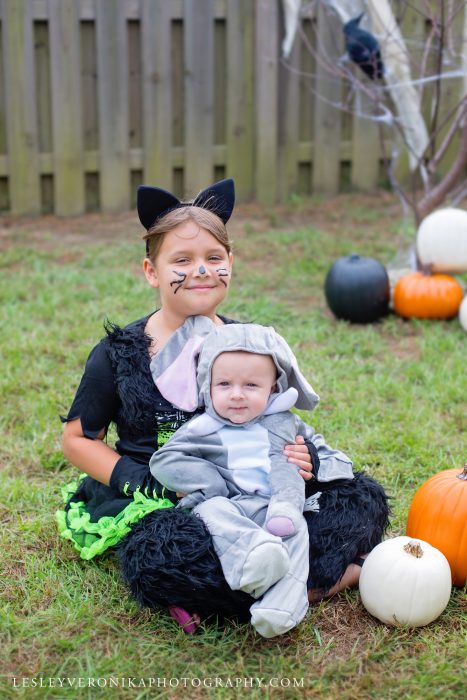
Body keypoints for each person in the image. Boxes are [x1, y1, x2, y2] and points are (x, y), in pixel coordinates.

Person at [59, 178, 389, 632]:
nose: (201, 270)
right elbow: (77, 440)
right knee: (161, 553)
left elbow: (278, 419)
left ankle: (236, 595)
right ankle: (321, 581)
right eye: (182, 260)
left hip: (256, 489)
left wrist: (302, 457)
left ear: (231, 263)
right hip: (170, 500)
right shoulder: (120, 353)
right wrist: (144, 483)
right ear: (151, 271)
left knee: (360, 498)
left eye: (214, 258)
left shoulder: (248, 347)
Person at [150, 321, 356, 638]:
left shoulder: (287, 424)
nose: (236, 395)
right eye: (224, 385)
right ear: (208, 386)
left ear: (272, 388)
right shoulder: (202, 428)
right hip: (228, 507)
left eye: (251, 386)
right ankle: (253, 563)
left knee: (297, 531)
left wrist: (313, 460)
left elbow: (340, 461)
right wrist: (211, 484)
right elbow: (165, 459)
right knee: (212, 513)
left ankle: (280, 607)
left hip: (274, 509)